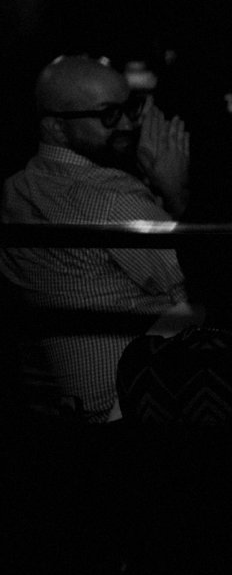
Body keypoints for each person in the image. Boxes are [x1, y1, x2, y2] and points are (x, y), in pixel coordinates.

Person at [0, 56, 192, 421]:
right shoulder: (109, 195)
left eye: (131, 108)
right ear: (56, 127)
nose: (128, 124)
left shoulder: (16, 189)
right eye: (108, 115)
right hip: (132, 402)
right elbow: (200, 276)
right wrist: (177, 193)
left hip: (66, 403)